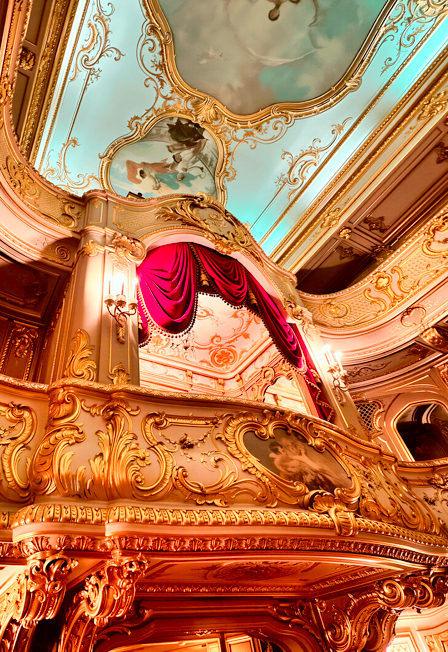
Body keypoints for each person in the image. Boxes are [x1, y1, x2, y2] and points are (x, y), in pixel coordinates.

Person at [268, 435, 341, 492]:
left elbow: (301, 460)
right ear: (276, 452)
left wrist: (302, 459)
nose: (282, 451)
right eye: (279, 451)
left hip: (306, 472)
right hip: (298, 477)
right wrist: (294, 471)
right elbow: (286, 472)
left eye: (282, 449)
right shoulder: (278, 461)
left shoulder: (291, 455)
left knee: (322, 477)